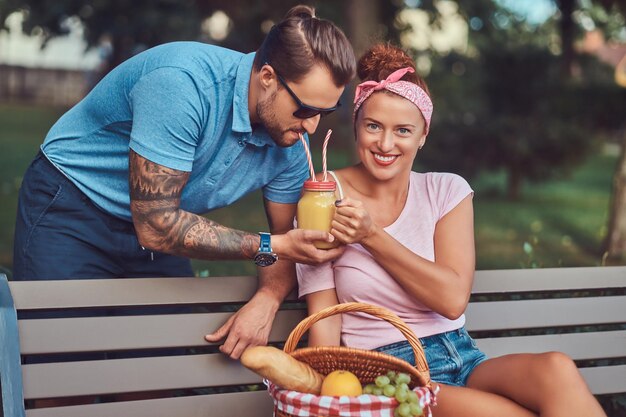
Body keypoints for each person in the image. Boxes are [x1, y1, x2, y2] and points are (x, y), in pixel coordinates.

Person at [13, 5, 355, 360]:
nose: (312, 127)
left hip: (161, 227)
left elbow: (287, 242)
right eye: (305, 109)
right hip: (74, 206)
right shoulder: (183, 84)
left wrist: (267, 299)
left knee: (162, 365)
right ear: (267, 76)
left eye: (325, 113)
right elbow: (157, 226)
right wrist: (274, 245)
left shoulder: (291, 142)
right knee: (60, 367)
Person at [296, 43, 607, 416]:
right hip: (391, 374)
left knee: (556, 368)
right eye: (373, 126)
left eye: (403, 130)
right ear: (356, 127)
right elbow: (325, 319)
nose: (385, 143)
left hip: (463, 354)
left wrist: (370, 236)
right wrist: (330, 389)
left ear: (423, 135)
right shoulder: (324, 197)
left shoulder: (447, 190)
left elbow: (451, 298)